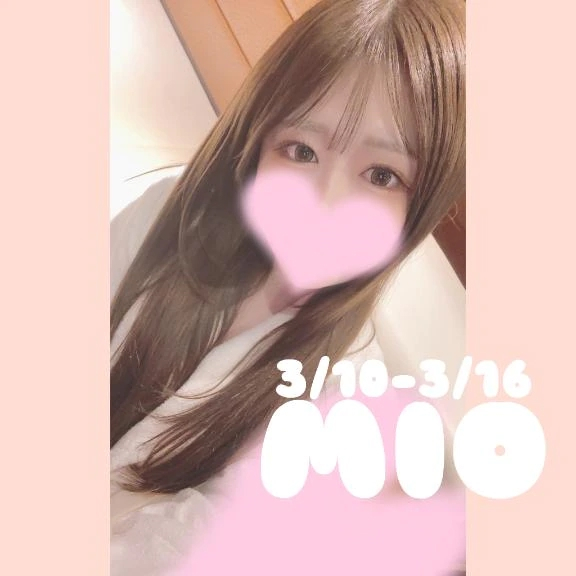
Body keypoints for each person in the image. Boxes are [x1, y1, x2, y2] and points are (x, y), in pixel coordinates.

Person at [110, 0, 466, 573]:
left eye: (382, 175)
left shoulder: (342, 411)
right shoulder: (168, 217)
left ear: (419, 207)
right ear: (259, 140)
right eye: (302, 150)